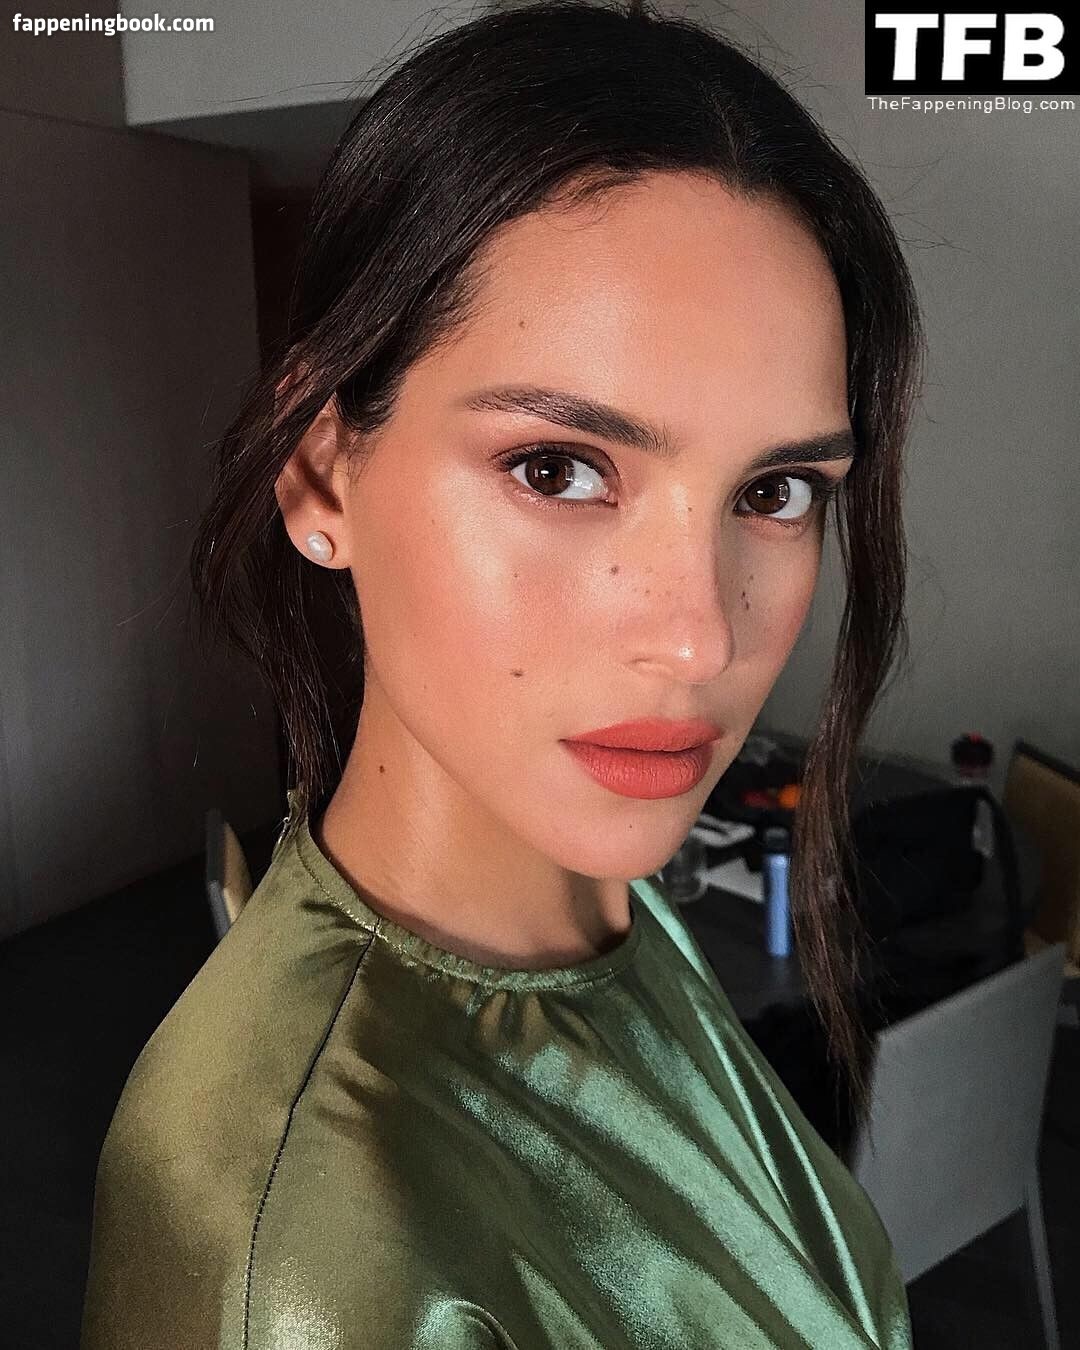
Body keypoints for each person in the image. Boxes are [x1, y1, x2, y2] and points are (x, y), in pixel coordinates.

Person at [80, 3, 924, 1346]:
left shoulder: (608, 917)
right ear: (319, 472)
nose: (699, 641)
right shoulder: (300, 1256)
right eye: (557, 468)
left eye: (774, 491)